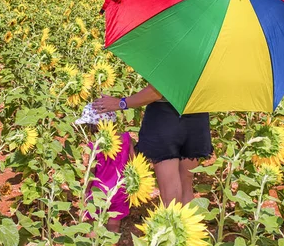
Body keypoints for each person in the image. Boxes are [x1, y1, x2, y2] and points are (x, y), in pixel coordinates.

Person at [93, 84, 212, 207]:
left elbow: (155, 92)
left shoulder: (169, 63)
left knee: (170, 189)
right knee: (186, 184)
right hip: (198, 117)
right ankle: (187, 224)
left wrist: (121, 103)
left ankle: (172, 225)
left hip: (166, 118)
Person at [75, 102, 134, 233]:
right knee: (114, 226)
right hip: (120, 190)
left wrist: (86, 190)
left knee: (93, 224)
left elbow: (92, 171)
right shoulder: (126, 139)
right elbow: (133, 162)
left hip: (98, 191)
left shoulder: (95, 146)